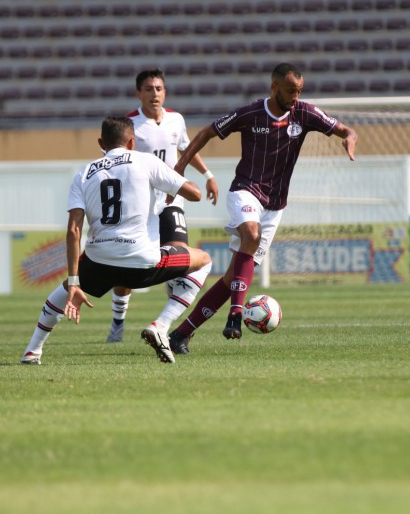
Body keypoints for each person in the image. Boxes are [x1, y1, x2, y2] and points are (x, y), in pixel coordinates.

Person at [166, 62, 358, 355]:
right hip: (245, 191)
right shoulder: (251, 113)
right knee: (251, 235)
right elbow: (207, 132)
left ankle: (180, 334)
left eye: (299, 91)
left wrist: (349, 139)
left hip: (275, 205)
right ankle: (235, 316)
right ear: (275, 87)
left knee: (232, 278)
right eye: (291, 91)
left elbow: (347, 130)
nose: (296, 96)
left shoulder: (305, 113)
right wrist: (180, 165)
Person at [20, 116, 212, 365]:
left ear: (101, 142)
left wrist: (75, 281)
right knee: (204, 260)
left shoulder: (84, 173)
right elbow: (194, 195)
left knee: (62, 292)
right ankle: (161, 326)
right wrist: (170, 186)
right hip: (142, 262)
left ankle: (32, 350)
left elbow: (73, 230)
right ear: (132, 142)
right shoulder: (145, 161)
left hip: (99, 260)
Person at [104, 69, 219, 344]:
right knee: (126, 270)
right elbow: (113, 160)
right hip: (140, 205)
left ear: (164, 92)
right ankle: (118, 324)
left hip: (171, 200)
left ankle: (166, 325)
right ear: (138, 94)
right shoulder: (130, 124)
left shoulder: (176, 120)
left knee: (181, 258)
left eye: (158, 88)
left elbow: (187, 150)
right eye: (148, 89)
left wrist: (208, 175)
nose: (154, 93)